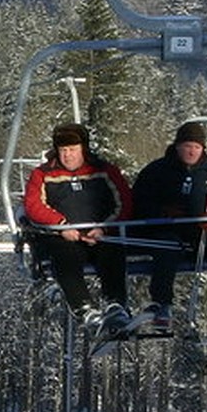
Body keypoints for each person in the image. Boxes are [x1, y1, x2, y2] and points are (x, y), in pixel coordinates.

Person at [132, 120, 207, 330]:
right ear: (177, 147)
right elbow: (140, 203)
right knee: (166, 247)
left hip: (202, 235)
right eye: (187, 146)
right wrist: (163, 213)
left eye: (196, 147)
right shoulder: (157, 172)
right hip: (168, 231)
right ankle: (162, 303)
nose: (192, 151)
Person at [23, 122, 132, 333]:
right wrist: (61, 225)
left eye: (72, 150)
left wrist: (104, 228)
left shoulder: (103, 171)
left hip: (99, 235)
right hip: (65, 237)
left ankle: (116, 304)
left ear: (83, 148)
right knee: (65, 258)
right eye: (63, 151)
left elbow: (124, 202)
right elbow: (33, 205)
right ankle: (84, 309)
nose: (68, 156)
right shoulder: (43, 174)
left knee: (112, 252)